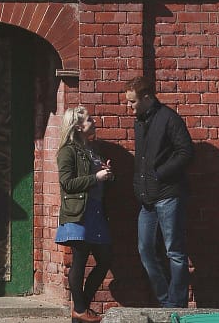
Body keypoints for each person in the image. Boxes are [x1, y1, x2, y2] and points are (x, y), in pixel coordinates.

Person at [125, 75, 194, 308]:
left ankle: (177, 304)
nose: (129, 106)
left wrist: (159, 174)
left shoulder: (169, 119)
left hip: (168, 195)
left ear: (147, 98)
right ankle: (166, 301)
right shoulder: (140, 121)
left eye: (132, 101)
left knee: (174, 251)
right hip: (147, 199)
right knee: (145, 250)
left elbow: (186, 152)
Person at [55, 105, 114, 322]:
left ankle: (81, 310)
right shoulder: (67, 151)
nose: (94, 121)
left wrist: (108, 174)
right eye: (89, 119)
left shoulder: (91, 149)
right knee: (79, 261)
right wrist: (96, 177)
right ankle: (80, 310)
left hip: (96, 211)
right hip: (79, 213)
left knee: (105, 259)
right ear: (78, 126)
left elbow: (98, 181)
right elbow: (67, 183)